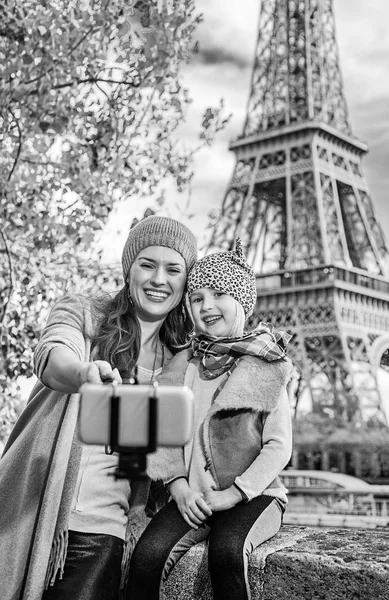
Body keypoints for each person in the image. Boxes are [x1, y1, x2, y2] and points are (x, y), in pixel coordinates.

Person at [0, 215, 197, 600]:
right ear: (129, 270)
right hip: (29, 511)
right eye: (147, 264)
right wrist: (82, 374)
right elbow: (52, 353)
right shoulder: (86, 313)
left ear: (185, 281)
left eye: (173, 269)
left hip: (101, 532)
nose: (159, 279)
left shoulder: (182, 366)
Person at [127, 238, 293, 600]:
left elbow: (278, 445)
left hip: (255, 496)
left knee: (227, 553)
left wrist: (235, 493)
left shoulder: (266, 366)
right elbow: (164, 435)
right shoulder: (183, 365)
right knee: (145, 557)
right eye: (197, 298)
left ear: (242, 301)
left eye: (218, 293)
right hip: (193, 495)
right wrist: (178, 487)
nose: (207, 305)